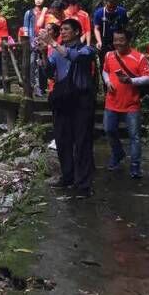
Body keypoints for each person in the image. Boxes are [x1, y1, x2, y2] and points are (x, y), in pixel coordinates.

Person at [39, 18, 98, 196]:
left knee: (82, 142)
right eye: (61, 29)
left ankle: (83, 184)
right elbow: (50, 72)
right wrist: (43, 53)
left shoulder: (86, 49)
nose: (62, 32)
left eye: (66, 29)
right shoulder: (56, 52)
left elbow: (72, 56)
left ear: (77, 32)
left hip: (81, 101)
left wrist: (51, 43)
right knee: (62, 139)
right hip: (63, 100)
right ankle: (67, 176)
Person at [102, 28, 149, 178]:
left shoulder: (139, 57)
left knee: (134, 136)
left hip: (132, 103)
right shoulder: (109, 55)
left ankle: (135, 166)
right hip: (111, 101)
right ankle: (118, 153)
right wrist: (108, 81)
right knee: (109, 130)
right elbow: (105, 71)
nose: (118, 43)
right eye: (115, 40)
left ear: (128, 40)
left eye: (121, 40)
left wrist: (132, 81)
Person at [23, 0, 47, 96]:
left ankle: (42, 87)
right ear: (34, 0)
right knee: (32, 64)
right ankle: (32, 86)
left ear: (43, 0)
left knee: (43, 65)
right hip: (32, 43)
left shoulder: (46, 13)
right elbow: (26, 28)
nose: (38, 0)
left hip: (44, 42)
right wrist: (28, 42)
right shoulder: (29, 13)